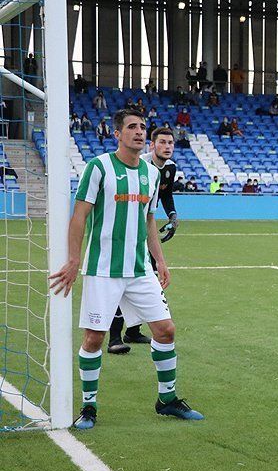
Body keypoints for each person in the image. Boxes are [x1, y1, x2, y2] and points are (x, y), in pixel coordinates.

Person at [48, 109, 203, 430]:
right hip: (102, 270)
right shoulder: (98, 167)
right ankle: (89, 407)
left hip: (140, 269)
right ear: (116, 134)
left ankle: (167, 400)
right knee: (94, 338)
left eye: (142, 127)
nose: (138, 131)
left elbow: (148, 219)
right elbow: (79, 216)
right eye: (131, 127)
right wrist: (74, 260)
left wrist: (159, 260)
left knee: (166, 330)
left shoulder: (151, 173)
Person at [107, 126, 181, 353]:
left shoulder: (169, 168)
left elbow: (165, 195)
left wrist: (172, 216)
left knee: (144, 281)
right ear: (152, 145)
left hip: (144, 235)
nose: (167, 147)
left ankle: (132, 332)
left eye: (170, 143)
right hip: (127, 236)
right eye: (162, 143)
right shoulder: (141, 166)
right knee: (124, 283)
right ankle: (113, 339)